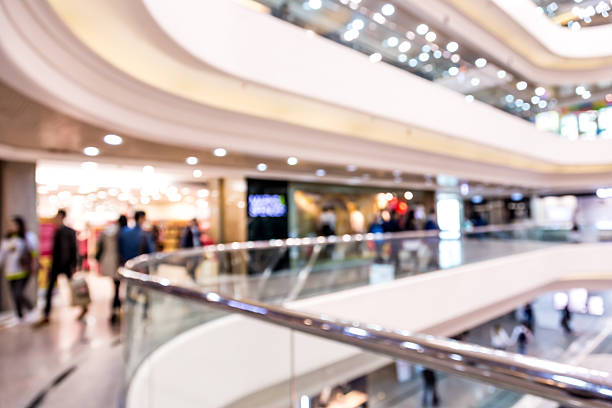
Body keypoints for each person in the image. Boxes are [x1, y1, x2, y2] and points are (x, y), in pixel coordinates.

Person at [38, 209, 79, 325]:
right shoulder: (55, 231)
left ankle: (83, 306)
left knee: (74, 287)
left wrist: (74, 265)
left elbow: (74, 249)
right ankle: (46, 314)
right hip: (55, 265)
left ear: (62, 217)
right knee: (49, 289)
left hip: (66, 265)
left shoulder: (69, 232)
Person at [0, 216, 34, 320]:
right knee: (14, 295)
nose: (12, 227)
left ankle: (30, 307)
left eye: (14, 224)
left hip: (22, 270)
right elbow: (2, 254)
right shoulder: (6, 240)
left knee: (18, 293)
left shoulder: (27, 237)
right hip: (10, 271)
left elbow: (33, 252)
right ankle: (20, 316)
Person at [97, 215, 127, 324]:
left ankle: (115, 310)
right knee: (119, 288)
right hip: (120, 263)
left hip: (110, 263)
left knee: (115, 288)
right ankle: (117, 308)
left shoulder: (108, 231)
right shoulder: (124, 233)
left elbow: (99, 246)